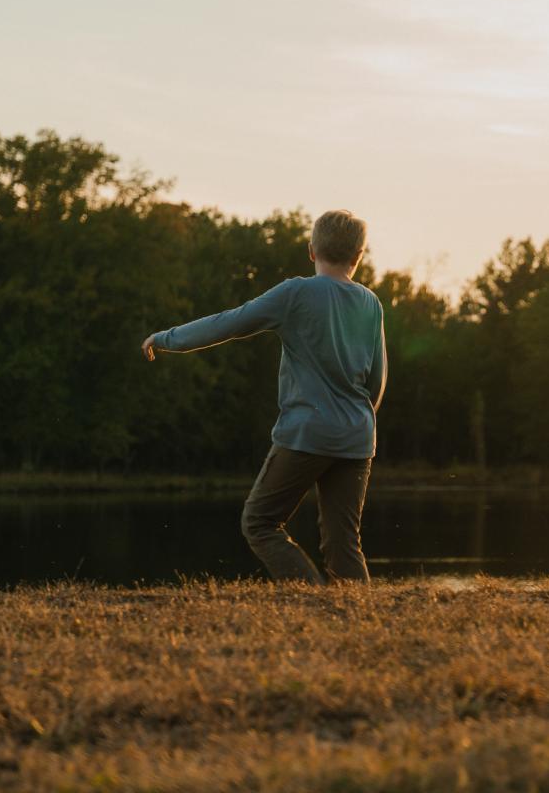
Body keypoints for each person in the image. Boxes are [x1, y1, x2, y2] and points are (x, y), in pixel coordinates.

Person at [142, 210, 387, 584]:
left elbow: (230, 322)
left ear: (311, 250)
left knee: (260, 522)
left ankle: (313, 601)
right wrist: (356, 422)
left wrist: (166, 338)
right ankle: (358, 622)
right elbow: (377, 380)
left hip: (307, 432)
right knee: (343, 542)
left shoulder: (296, 292)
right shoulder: (371, 302)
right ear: (359, 256)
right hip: (357, 436)